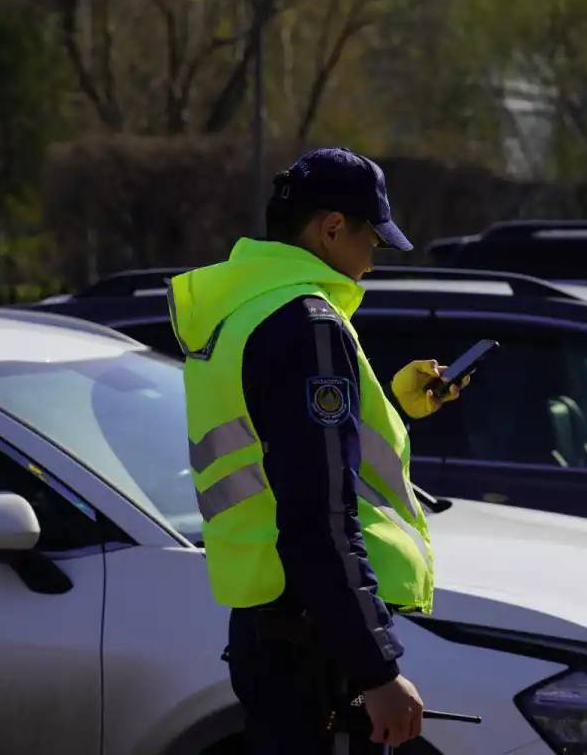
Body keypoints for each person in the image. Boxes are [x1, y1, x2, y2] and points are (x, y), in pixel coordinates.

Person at [168, 147, 466, 754]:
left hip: (270, 625)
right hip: (316, 644)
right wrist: (377, 669)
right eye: (373, 243)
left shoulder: (242, 310)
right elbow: (318, 517)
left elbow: (278, 449)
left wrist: (393, 405)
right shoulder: (309, 324)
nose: (372, 263)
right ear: (332, 229)